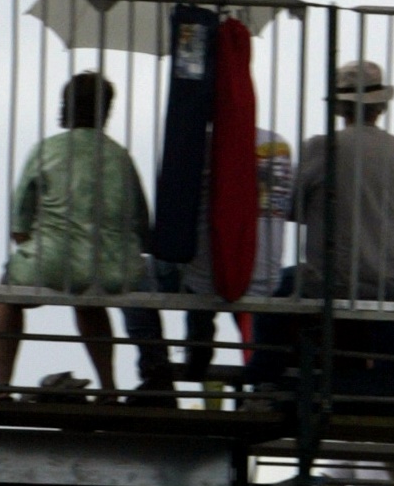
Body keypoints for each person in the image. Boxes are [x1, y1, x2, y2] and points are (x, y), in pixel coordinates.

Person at [247, 60, 394, 383]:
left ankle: (263, 383)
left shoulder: (323, 148)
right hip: (391, 285)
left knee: (274, 294)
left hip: (333, 282)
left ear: (340, 107)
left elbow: (292, 208)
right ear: (380, 105)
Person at [0, 71, 150, 397]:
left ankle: (2, 385)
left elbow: (19, 226)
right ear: (106, 111)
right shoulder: (121, 157)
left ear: (65, 107)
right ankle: (108, 386)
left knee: (6, 296)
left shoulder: (46, 150)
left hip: (51, 261)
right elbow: (143, 226)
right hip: (113, 269)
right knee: (90, 300)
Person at [125, 125, 293, 401]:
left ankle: (159, 371)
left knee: (138, 278)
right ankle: (261, 380)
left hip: (204, 273)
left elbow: (174, 220)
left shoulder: (192, 143)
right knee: (250, 298)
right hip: (263, 273)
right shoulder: (279, 145)